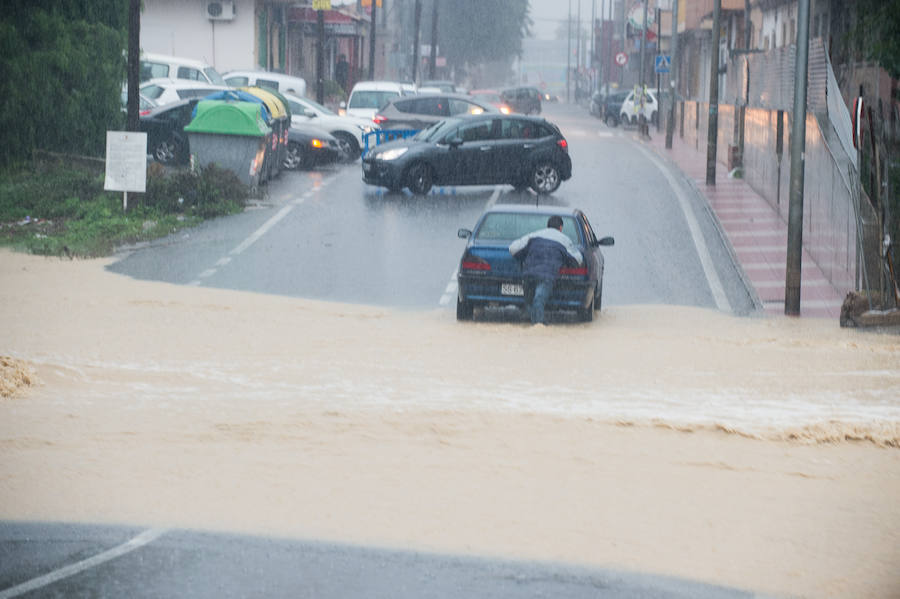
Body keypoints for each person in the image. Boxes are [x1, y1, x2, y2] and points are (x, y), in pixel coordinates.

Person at [509, 215, 583, 325]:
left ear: (547, 226)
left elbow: (513, 248)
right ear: (561, 228)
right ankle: (538, 327)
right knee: (538, 300)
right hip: (547, 276)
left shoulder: (534, 235)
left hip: (529, 274)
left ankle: (531, 323)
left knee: (530, 301)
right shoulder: (564, 240)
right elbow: (577, 260)